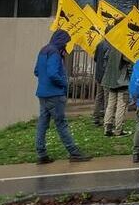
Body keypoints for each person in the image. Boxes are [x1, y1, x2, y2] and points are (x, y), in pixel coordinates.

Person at [33, 30, 92, 164]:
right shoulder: (54, 52)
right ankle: (74, 152)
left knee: (42, 124)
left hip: (42, 93)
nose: (66, 44)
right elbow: (53, 73)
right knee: (61, 124)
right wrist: (64, 83)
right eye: (65, 42)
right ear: (61, 40)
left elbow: (36, 71)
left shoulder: (43, 50)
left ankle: (41, 153)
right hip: (55, 94)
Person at [99, 38, 131, 137]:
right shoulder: (124, 48)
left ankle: (107, 127)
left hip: (111, 79)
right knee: (121, 106)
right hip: (122, 81)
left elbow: (105, 60)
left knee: (110, 104)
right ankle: (118, 129)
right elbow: (128, 61)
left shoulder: (111, 46)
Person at [91, 38, 110, 127]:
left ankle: (96, 117)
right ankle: (107, 119)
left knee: (99, 97)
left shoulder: (100, 44)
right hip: (106, 75)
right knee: (107, 98)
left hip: (99, 74)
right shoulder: (110, 46)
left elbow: (95, 58)